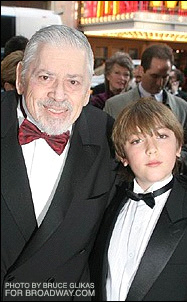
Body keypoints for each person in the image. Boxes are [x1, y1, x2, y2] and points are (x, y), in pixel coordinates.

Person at [1, 25, 118, 301]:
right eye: (45, 77)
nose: (58, 95)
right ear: (20, 78)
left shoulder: (109, 137)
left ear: (89, 90)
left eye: (73, 82)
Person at [90, 98, 187, 301]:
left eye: (161, 136)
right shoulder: (106, 206)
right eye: (137, 140)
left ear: (178, 147)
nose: (151, 149)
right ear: (123, 155)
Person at [103, 43, 187, 174]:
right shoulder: (115, 105)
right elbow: (105, 147)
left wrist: (179, 158)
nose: (160, 83)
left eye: (165, 77)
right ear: (142, 71)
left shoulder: (182, 107)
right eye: (154, 76)